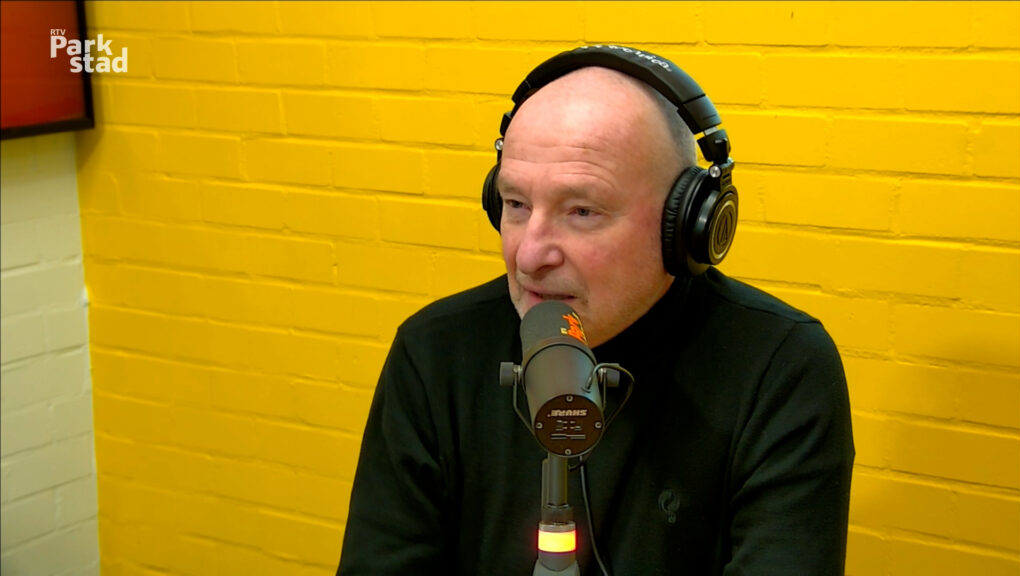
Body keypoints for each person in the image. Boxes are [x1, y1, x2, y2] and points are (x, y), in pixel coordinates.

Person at [336, 45, 854, 576]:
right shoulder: (434, 351)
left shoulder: (779, 368)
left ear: (683, 226)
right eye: (516, 205)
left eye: (582, 211)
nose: (529, 256)